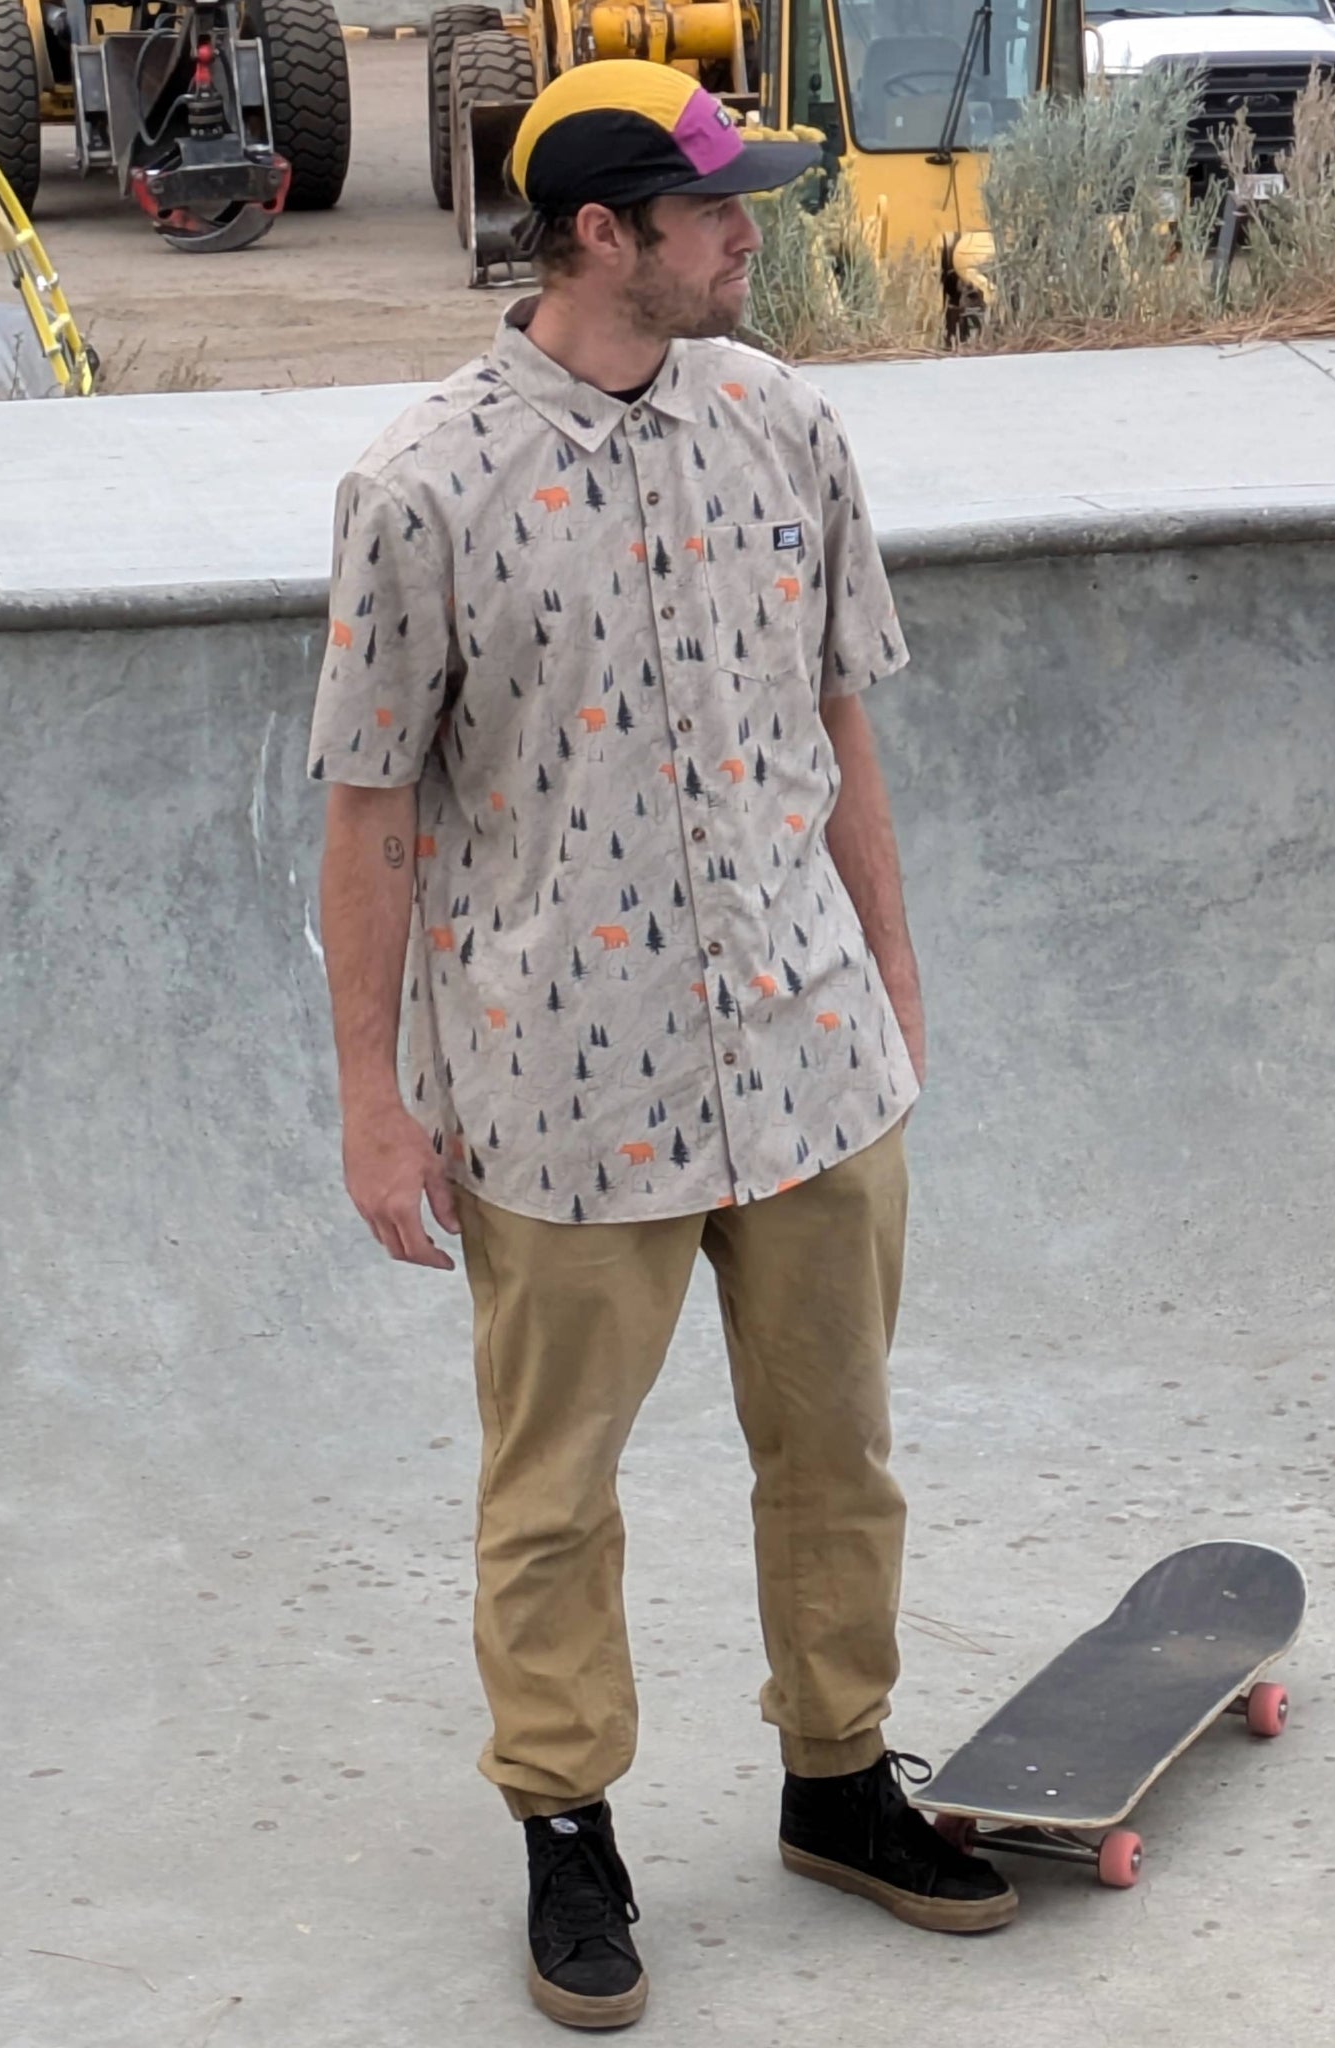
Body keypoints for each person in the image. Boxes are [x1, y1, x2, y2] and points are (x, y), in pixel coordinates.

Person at [308, 59, 1014, 2032]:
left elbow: (840, 716)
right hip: (557, 1086)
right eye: (711, 211)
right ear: (599, 233)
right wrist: (374, 1101)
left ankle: (838, 1780)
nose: (748, 235)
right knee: (553, 1492)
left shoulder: (783, 424)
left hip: (804, 1053)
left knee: (838, 1448)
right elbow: (366, 812)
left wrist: (890, 968)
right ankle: (567, 1828)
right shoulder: (421, 488)